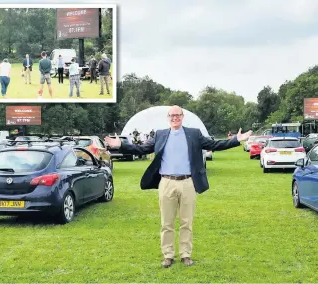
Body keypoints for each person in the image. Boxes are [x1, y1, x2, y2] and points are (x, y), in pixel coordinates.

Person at [103, 105, 253, 268]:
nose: (175, 118)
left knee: (186, 222)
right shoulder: (160, 134)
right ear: (168, 117)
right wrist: (121, 145)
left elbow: (215, 145)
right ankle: (168, 255)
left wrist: (236, 140)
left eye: (178, 115)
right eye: (172, 115)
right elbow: (142, 148)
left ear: (182, 117)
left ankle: (185, 254)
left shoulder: (194, 134)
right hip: (166, 183)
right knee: (166, 223)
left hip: (188, 183)